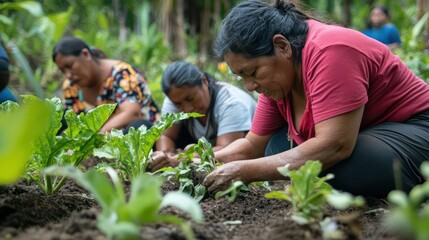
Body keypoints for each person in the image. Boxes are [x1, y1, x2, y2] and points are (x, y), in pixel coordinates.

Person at [195, 0, 429, 198]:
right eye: (242, 77)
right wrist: (195, 160)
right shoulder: (279, 78)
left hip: (416, 127)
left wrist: (245, 172)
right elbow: (252, 145)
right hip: (369, 133)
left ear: (282, 46)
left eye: (253, 72)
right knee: (275, 146)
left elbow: (334, 146)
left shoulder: (331, 51)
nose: (250, 86)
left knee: (342, 164)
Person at [149, 61, 256, 170]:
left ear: (204, 81)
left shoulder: (231, 103)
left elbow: (227, 151)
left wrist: (177, 159)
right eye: (178, 104)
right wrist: (164, 158)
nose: (187, 109)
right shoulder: (176, 99)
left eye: (190, 99)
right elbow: (166, 136)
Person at [52, 36, 160, 133]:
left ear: (86, 54)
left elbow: (131, 113)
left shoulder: (122, 73)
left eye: (70, 66)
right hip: (99, 143)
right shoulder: (71, 86)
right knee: (56, 120)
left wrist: (96, 137)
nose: (68, 75)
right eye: (63, 71)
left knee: (138, 127)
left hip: (131, 136)